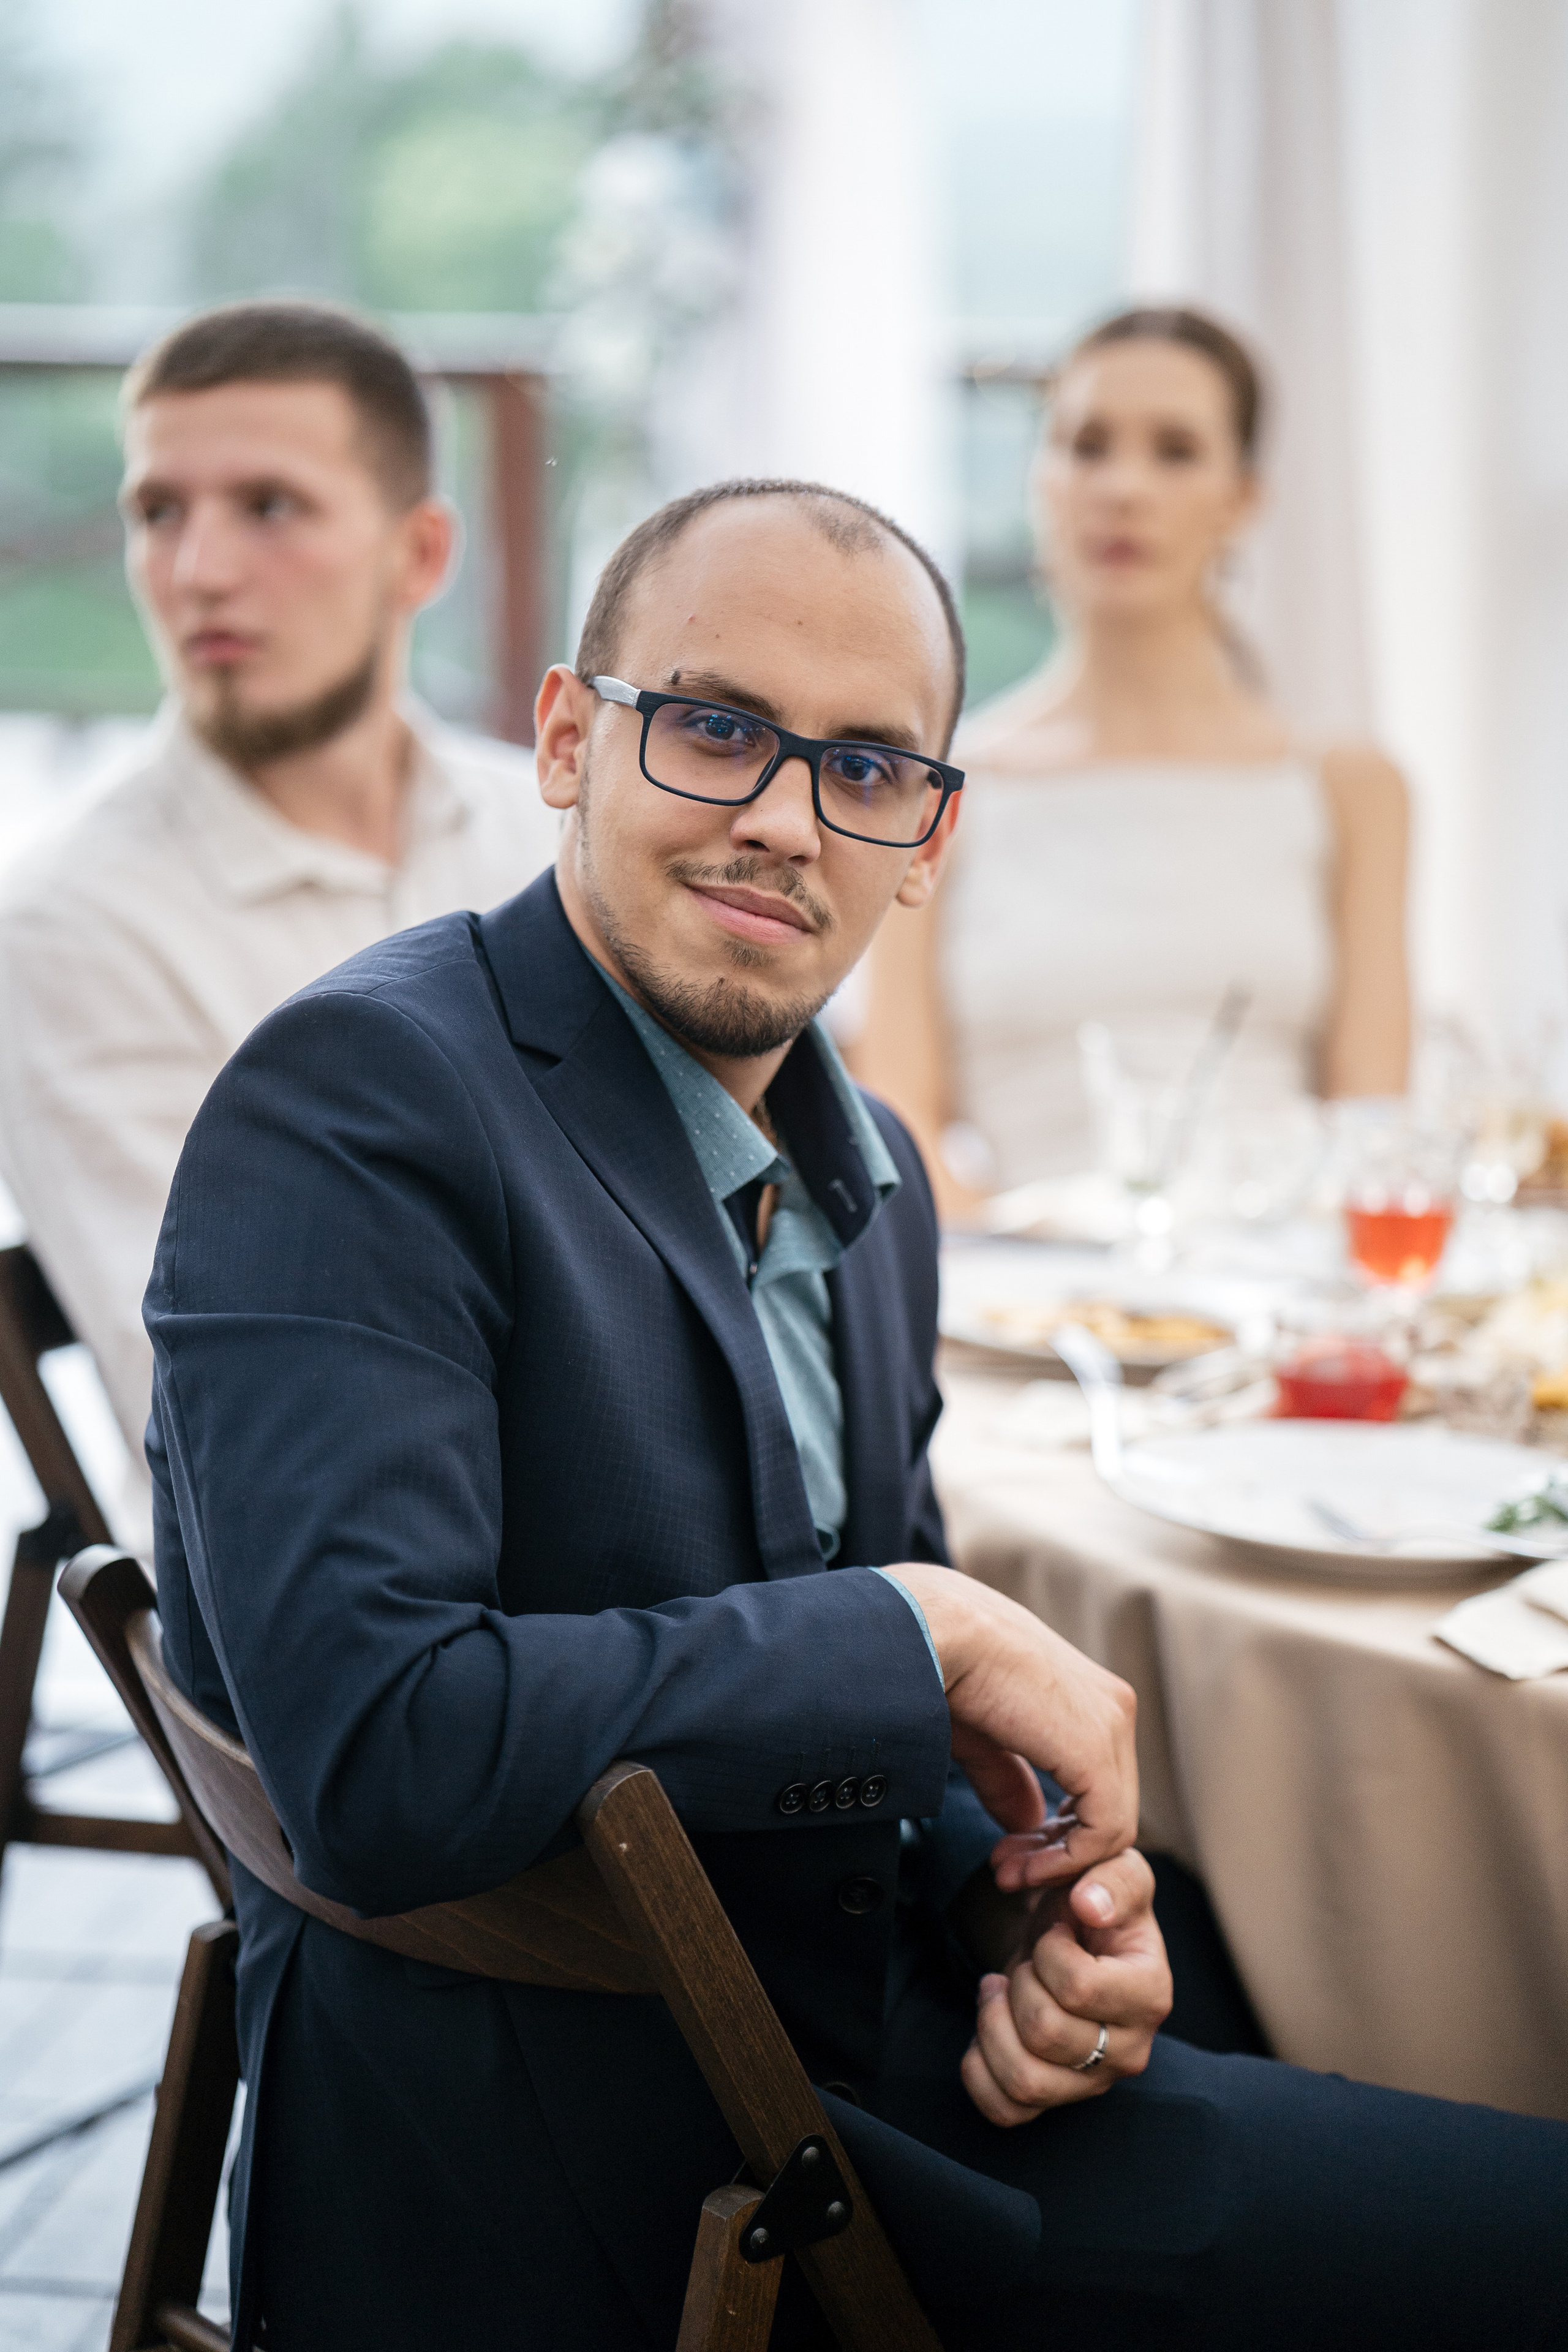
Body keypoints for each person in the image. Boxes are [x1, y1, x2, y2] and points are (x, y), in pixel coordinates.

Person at [146, 479, 1565, 2352]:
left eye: (869, 766)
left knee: (1246, 1970)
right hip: (610, 2162)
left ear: (932, 836)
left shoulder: (868, 1163)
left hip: (871, 2050)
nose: (782, 820)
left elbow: (916, 1721)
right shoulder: (357, 1105)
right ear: (570, 737)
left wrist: (1025, 1918)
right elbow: (382, 1756)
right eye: (715, 727)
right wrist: (919, 1629)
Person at [0, 300, 558, 1523]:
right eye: (158, 513)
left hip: (619, 1538)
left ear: (417, 556)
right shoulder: (69, 923)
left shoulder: (551, 834)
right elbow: (236, 1404)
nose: (195, 571)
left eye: (268, 507)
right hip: (324, 1588)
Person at [856, 305, 1411, 1220]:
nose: (1122, 487)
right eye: (1087, 445)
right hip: (1028, 1313)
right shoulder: (936, 791)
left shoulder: (1352, 788)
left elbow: (1370, 1123)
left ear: (1243, 498)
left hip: (1277, 1296)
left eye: (1176, 451)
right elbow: (900, 1120)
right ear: (1041, 480)